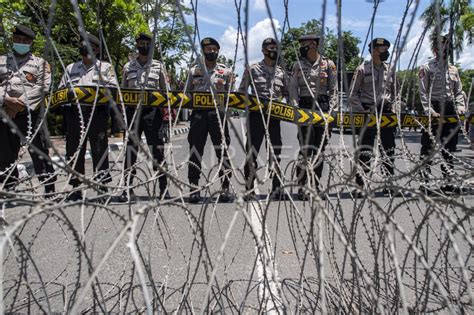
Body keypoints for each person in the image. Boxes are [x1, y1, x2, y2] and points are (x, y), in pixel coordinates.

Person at [58, 32, 118, 201]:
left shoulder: (105, 68)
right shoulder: (71, 68)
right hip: (75, 114)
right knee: (74, 151)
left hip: (97, 113)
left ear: (97, 49)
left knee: (99, 150)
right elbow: (61, 90)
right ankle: (76, 188)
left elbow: (113, 88)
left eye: (89, 46)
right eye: (82, 45)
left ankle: (102, 187)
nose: (84, 48)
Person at [0, 25, 56, 197]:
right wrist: (6, 100)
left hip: (31, 113)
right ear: (13, 40)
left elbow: (42, 87)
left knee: (38, 149)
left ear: (31, 42)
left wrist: (20, 104)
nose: (21, 43)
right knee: (5, 150)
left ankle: (48, 185)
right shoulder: (1, 61)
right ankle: (10, 184)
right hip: (5, 111)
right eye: (18, 40)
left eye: (25, 41)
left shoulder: (40, 63)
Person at [119, 33, 170, 201]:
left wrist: (166, 118)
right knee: (130, 152)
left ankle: (163, 189)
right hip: (133, 113)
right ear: (137, 45)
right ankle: (126, 189)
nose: (144, 46)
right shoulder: (128, 67)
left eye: (147, 43)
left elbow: (166, 92)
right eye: (140, 43)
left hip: (152, 113)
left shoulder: (158, 66)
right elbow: (123, 92)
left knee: (157, 151)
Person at [288, 34, 338, 200]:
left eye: (304, 44)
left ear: (313, 44)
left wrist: (332, 112)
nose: (301, 47)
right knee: (305, 148)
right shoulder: (298, 65)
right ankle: (302, 185)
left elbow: (334, 90)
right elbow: (293, 88)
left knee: (319, 149)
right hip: (304, 107)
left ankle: (316, 184)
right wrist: (295, 108)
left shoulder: (328, 64)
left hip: (322, 108)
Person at [238, 37, 289, 200]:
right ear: (263, 50)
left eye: (276, 47)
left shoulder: (281, 72)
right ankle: (249, 189)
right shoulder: (252, 69)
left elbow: (287, 94)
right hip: (256, 117)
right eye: (270, 48)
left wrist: (287, 107)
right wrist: (253, 103)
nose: (273, 50)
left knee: (275, 153)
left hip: (274, 117)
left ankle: (276, 188)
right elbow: (241, 92)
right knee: (251, 152)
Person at [348, 37, 399, 197]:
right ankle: (360, 186)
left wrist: (397, 105)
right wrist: (360, 109)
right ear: (374, 51)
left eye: (386, 48)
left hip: (386, 113)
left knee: (388, 149)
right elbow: (352, 93)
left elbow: (396, 93)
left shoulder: (390, 69)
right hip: (367, 112)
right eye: (382, 49)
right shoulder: (362, 69)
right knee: (365, 150)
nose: (386, 52)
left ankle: (388, 184)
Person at [186, 37, 234, 203]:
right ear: (203, 51)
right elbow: (187, 94)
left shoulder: (226, 72)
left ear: (218, 51)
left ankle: (225, 188)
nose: (211, 51)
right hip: (198, 115)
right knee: (195, 151)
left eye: (214, 49)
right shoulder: (194, 71)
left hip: (217, 116)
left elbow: (231, 96)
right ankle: (194, 188)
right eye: (208, 49)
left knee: (223, 151)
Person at [418, 34, 466, 194]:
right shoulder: (426, 68)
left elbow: (458, 91)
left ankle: (448, 182)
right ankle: (425, 183)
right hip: (434, 108)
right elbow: (423, 92)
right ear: (434, 49)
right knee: (428, 148)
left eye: (447, 46)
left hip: (450, 110)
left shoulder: (453, 69)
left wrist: (460, 106)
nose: (445, 49)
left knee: (449, 149)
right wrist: (429, 110)